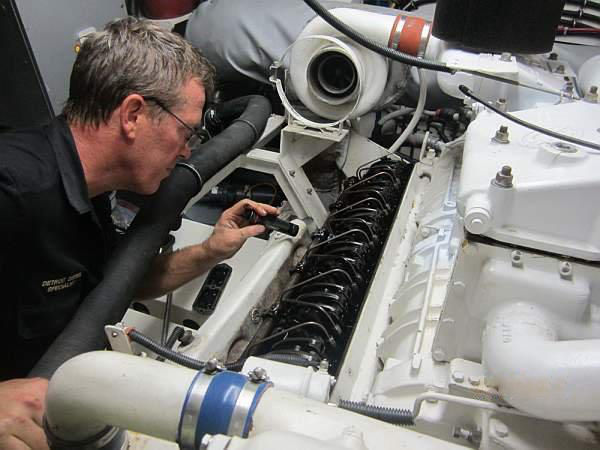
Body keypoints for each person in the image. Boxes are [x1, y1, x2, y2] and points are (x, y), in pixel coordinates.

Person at [0, 17, 276, 449]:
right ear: (132, 115)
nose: (187, 151)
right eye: (186, 132)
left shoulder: (90, 191)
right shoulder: (13, 189)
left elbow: (117, 282)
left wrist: (209, 251)